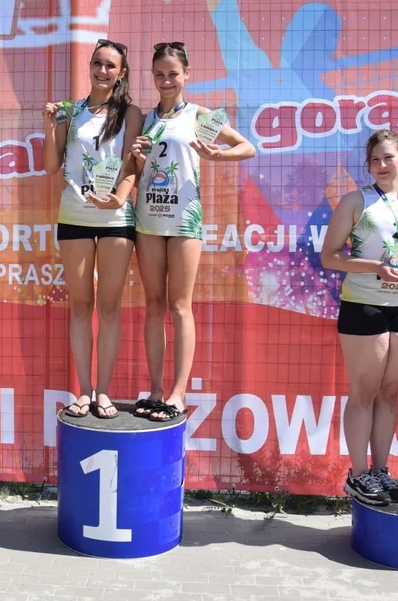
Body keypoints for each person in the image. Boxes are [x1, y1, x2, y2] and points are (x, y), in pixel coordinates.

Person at [127, 41, 255, 422]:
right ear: (152, 77)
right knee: (154, 304)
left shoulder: (199, 115)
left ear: (187, 74)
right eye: (159, 74)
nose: (166, 80)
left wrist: (218, 154)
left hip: (185, 221)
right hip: (148, 221)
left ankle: (178, 394)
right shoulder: (144, 120)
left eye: (173, 73)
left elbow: (247, 147)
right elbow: (135, 170)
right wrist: (136, 158)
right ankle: (155, 391)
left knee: (180, 306)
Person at [320, 130, 398, 506]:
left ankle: (380, 470)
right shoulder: (356, 200)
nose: (382, 165)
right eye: (374, 160)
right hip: (364, 304)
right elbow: (330, 256)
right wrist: (375, 267)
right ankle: (357, 474)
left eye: (388, 157)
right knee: (364, 393)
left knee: (389, 393)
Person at [42, 38, 142, 419]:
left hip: (116, 218)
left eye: (110, 66)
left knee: (109, 307)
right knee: (81, 306)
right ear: (90, 66)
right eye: (97, 63)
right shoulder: (71, 112)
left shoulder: (131, 113)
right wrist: (50, 128)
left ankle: (103, 392)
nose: (102, 71)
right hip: (75, 217)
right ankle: (83, 390)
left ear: (121, 73)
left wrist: (119, 198)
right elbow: (51, 166)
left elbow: (132, 164)